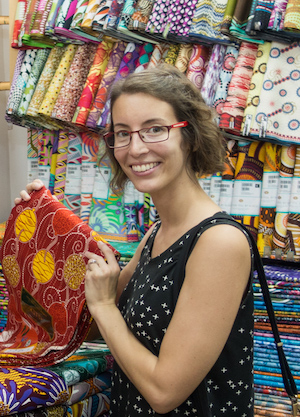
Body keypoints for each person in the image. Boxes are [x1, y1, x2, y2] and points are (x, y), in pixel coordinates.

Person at [16, 64, 254, 416]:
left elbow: (164, 391)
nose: (135, 147)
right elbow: (95, 330)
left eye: (155, 129)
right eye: (123, 133)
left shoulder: (219, 242)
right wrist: (42, 227)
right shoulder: (157, 233)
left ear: (190, 137)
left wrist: (104, 306)